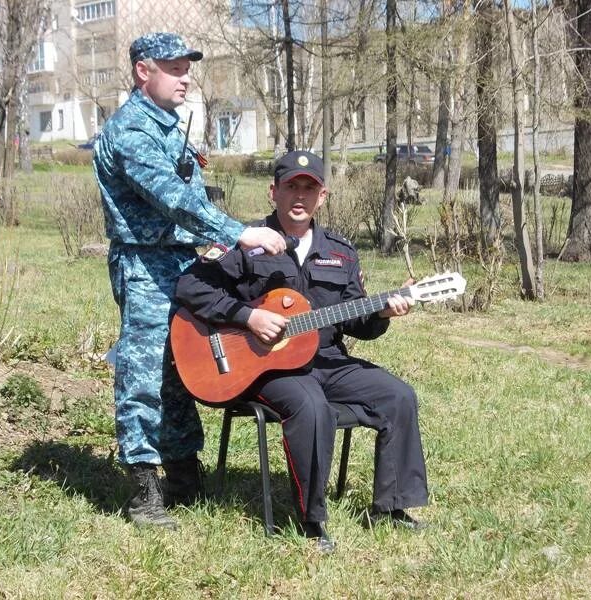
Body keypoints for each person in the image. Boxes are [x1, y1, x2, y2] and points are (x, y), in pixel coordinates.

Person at [175, 151, 429, 552]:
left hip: (328, 358)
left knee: (398, 396)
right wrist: (247, 317)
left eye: (309, 188)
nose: (300, 196)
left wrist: (382, 313)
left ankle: (392, 508)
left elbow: (356, 323)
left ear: (323, 196)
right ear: (273, 191)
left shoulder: (341, 252)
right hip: (266, 366)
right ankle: (312, 520)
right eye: (291, 185)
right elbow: (190, 287)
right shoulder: (247, 243)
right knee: (312, 407)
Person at [93, 32, 286, 530]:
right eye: (174, 68)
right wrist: (238, 232)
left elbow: (190, 195)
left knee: (183, 362)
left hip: (180, 260)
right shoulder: (132, 131)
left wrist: (213, 241)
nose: (185, 78)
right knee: (145, 371)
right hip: (144, 266)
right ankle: (144, 487)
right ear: (143, 70)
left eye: (186, 68)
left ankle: (183, 472)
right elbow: (174, 200)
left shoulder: (169, 125)